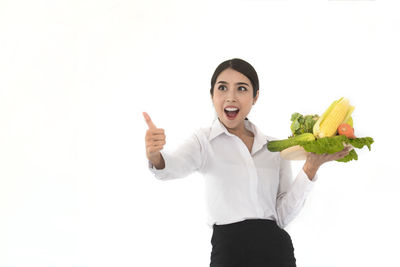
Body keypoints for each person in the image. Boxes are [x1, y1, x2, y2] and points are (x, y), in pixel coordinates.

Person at [143, 58, 351, 267]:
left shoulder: (275, 147)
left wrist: (311, 166)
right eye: (222, 88)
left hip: (277, 251)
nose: (231, 97)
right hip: (230, 251)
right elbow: (172, 166)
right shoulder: (203, 141)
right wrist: (155, 155)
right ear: (212, 95)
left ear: (255, 97)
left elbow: (282, 215)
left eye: (241, 88)